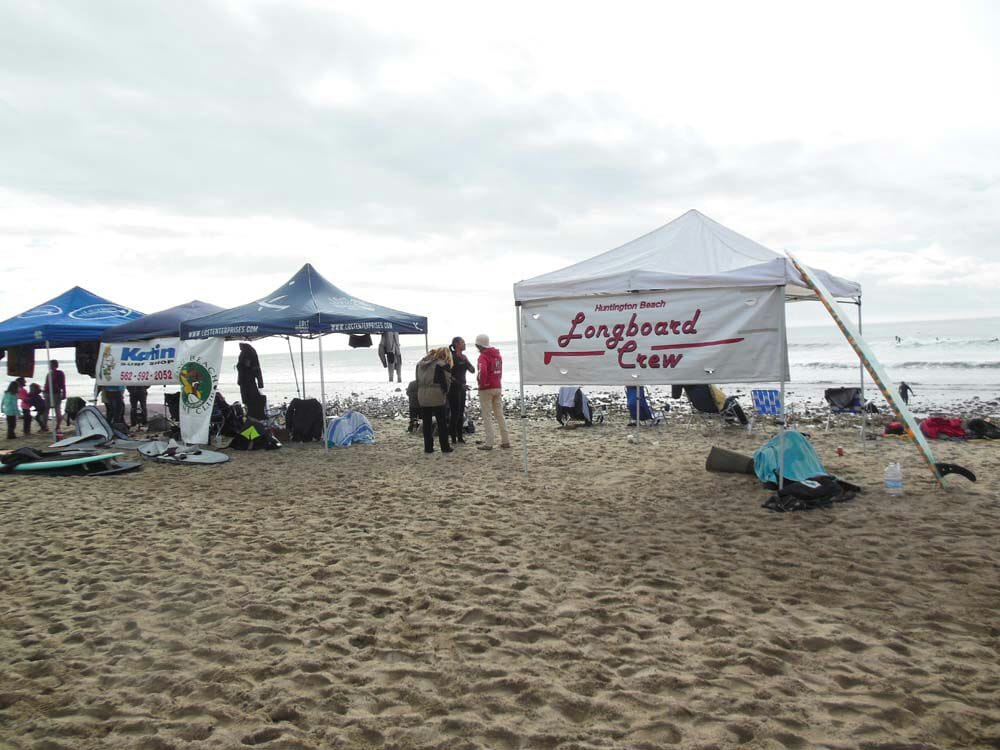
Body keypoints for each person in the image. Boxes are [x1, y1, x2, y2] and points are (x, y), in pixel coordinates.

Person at [474, 334, 510, 450]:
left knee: (487, 416)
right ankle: (505, 440)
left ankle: (489, 443)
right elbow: (500, 370)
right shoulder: (497, 355)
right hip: (497, 386)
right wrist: (497, 381)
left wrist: (482, 384)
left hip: (487, 388)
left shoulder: (483, 357)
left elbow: (483, 372)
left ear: (478, 345)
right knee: (499, 414)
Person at [415, 347, 453, 454]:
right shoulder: (442, 365)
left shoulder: (419, 364)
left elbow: (417, 380)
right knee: (441, 422)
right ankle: (445, 447)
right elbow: (447, 382)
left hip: (422, 394)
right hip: (437, 395)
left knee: (426, 423)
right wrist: (445, 392)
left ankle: (428, 447)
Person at [448, 336, 475, 444]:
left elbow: (472, 370)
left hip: (462, 388)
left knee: (461, 413)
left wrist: (465, 361)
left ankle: (460, 436)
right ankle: (453, 437)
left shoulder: (463, 357)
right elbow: (449, 375)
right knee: (454, 413)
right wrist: (459, 385)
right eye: (462, 342)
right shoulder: (451, 357)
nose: (464, 344)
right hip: (453, 388)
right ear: (456, 344)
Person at [237, 343, 265, 419]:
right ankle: (252, 413)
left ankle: (253, 413)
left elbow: (253, 367)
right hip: (246, 380)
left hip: (248, 380)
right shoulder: (246, 353)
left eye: (240, 345)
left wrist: (260, 383)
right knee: (250, 398)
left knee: (251, 398)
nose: (239, 346)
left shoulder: (248, 353)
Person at [43, 359, 66, 431]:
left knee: (56, 410)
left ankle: (56, 426)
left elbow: (62, 384)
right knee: (48, 410)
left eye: (51, 365)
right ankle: (46, 426)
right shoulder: (50, 374)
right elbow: (46, 384)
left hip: (55, 393)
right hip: (50, 393)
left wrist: (64, 393)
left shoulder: (58, 373)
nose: (50, 366)